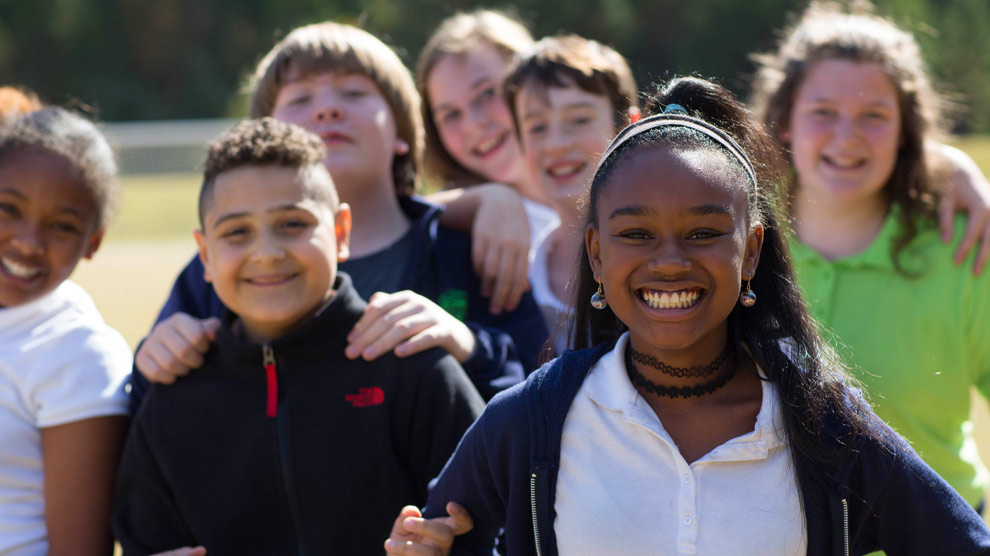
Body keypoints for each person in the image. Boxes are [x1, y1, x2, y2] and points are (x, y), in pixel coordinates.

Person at [384, 77, 990, 555]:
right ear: (596, 252)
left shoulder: (824, 421)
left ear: (750, 250)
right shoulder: (533, 421)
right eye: (637, 234)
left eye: (703, 232)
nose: (669, 262)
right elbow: (440, 537)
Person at [112, 118, 485, 555]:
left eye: (292, 224)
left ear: (340, 232)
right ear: (205, 255)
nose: (267, 253)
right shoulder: (173, 398)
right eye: (236, 232)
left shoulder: (413, 367)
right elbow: (143, 538)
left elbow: (492, 523)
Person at [131, 21, 548, 407]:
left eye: (354, 93)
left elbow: (541, 399)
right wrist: (155, 361)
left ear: (403, 132)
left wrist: (469, 347)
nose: (328, 109)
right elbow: (151, 416)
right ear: (267, 137)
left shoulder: (469, 254)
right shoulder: (225, 269)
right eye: (300, 97)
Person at [749, 1, 990, 514]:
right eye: (823, 113)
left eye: (874, 116)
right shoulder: (740, 237)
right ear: (785, 119)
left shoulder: (965, 245)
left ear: (907, 130)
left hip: (937, 536)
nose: (846, 136)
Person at [0, 107, 131, 555]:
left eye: (62, 226)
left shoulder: (79, 353)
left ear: (92, 242)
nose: (28, 241)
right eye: (8, 209)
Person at [500, 34, 639, 356]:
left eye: (578, 120)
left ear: (629, 124)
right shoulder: (514, 280)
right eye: (536, 128)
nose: (557, 144)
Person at [417, 9, 559, 312]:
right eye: (451, 115)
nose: (472, 123)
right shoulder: (457, 237)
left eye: (487, 93)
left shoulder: (608, 178)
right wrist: (486, 199)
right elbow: (400, 217)